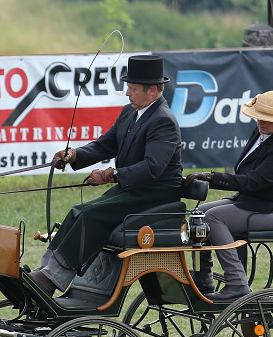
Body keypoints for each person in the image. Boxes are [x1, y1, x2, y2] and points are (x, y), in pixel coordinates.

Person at [28, 54, 183, 294]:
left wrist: (112, 174)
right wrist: (74, 155)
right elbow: (104, 145)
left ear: (152, 91)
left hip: (157, 193)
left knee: (91, 214)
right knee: (77, 211)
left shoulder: (164, 121)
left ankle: (51, 280)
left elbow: (153, 167)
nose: (128, 93)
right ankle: (47, 271)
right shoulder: (129, 114)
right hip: (133, 189)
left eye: (132, 89)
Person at [184, 90, 273, 302]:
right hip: (256, 202)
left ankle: (237, 282)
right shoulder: (262, 133)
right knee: (199, 213)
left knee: (214, 218)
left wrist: (212, 178)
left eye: (267, 117)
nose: (261, 121)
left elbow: (252, 182)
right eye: (259, 115)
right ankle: (203, 278)